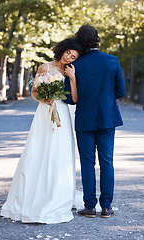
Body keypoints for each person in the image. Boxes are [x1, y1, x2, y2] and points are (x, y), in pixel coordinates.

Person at [0, 37, 84, 224]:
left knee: (59, 153)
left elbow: (75, 98)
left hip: (63, 112)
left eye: (73, 56)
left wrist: (72, 78)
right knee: (38, 150)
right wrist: (45, 100)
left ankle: (56, 192)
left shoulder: (71, 71)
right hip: (45, 113)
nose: (69, 57)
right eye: (68, 52)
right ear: (63, 49)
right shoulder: (44, 67)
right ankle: (32, 194)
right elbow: (35, 92)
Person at [64, 24, 126, 218]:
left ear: (80, 41)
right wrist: (106, 99)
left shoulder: (75, 65)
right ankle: (106, 207)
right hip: (108, 119)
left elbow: (68, 97)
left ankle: (90, 206)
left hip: (84, 120)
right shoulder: (112, 61)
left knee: (87, 163)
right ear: (97, 39)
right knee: (107, 162)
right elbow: (121, 91)